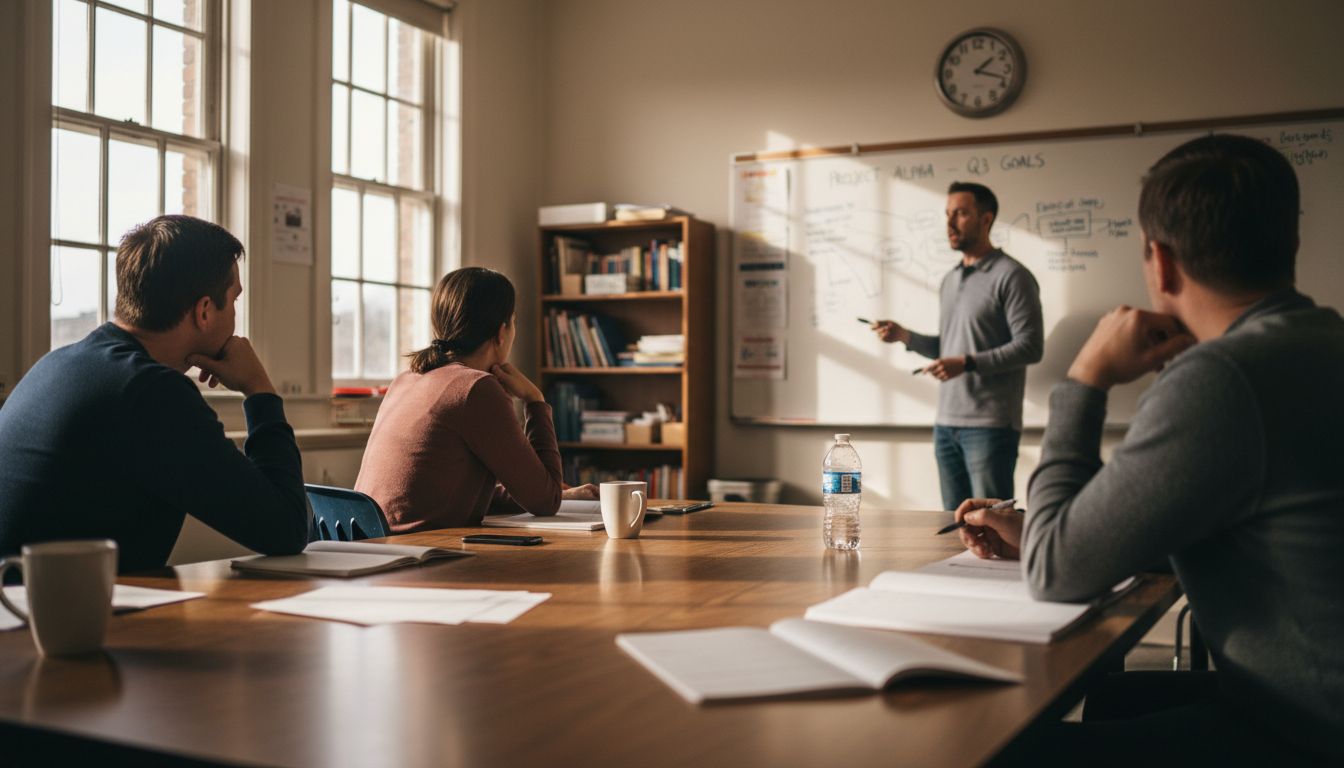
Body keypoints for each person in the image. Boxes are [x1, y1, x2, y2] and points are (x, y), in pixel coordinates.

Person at [954, 134, 1342, 766]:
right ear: (1291, 246)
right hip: (1313, 700)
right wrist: (1032, 529)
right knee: (1113, 700)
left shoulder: (1223, 377)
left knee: (996, 747)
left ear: (1159, 262)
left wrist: (1084, 379)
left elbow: (1057, 575)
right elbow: (1214, 529)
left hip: (1304, 731)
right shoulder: (1320, 339)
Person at [0, 215, 310, 575]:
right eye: (234, 300)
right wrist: (259, 390)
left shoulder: (58, 364)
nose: (236, 317)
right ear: (205, 311)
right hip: (47, 623)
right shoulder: (148, 392)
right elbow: (286, 528)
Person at [355, 267, 596, 533]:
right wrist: (535, 400)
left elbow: (450, 495)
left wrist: (564, 496)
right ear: (501, 332)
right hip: (416, 559)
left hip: (368, 548)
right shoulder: (476, 389)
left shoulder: (406, 379)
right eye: (513, 321)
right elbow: (546, 502)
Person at [871, 182, 1043, 510]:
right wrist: (905, 336)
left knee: (992, 527)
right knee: (954, 529)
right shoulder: (950, 280)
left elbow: (1030, 347)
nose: (950, 224)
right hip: (946, 425)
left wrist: (966, 363)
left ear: (985, 219)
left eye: (961, 214)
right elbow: (949, 346)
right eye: (948, 214)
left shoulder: (1012, 276)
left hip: (990, 427)